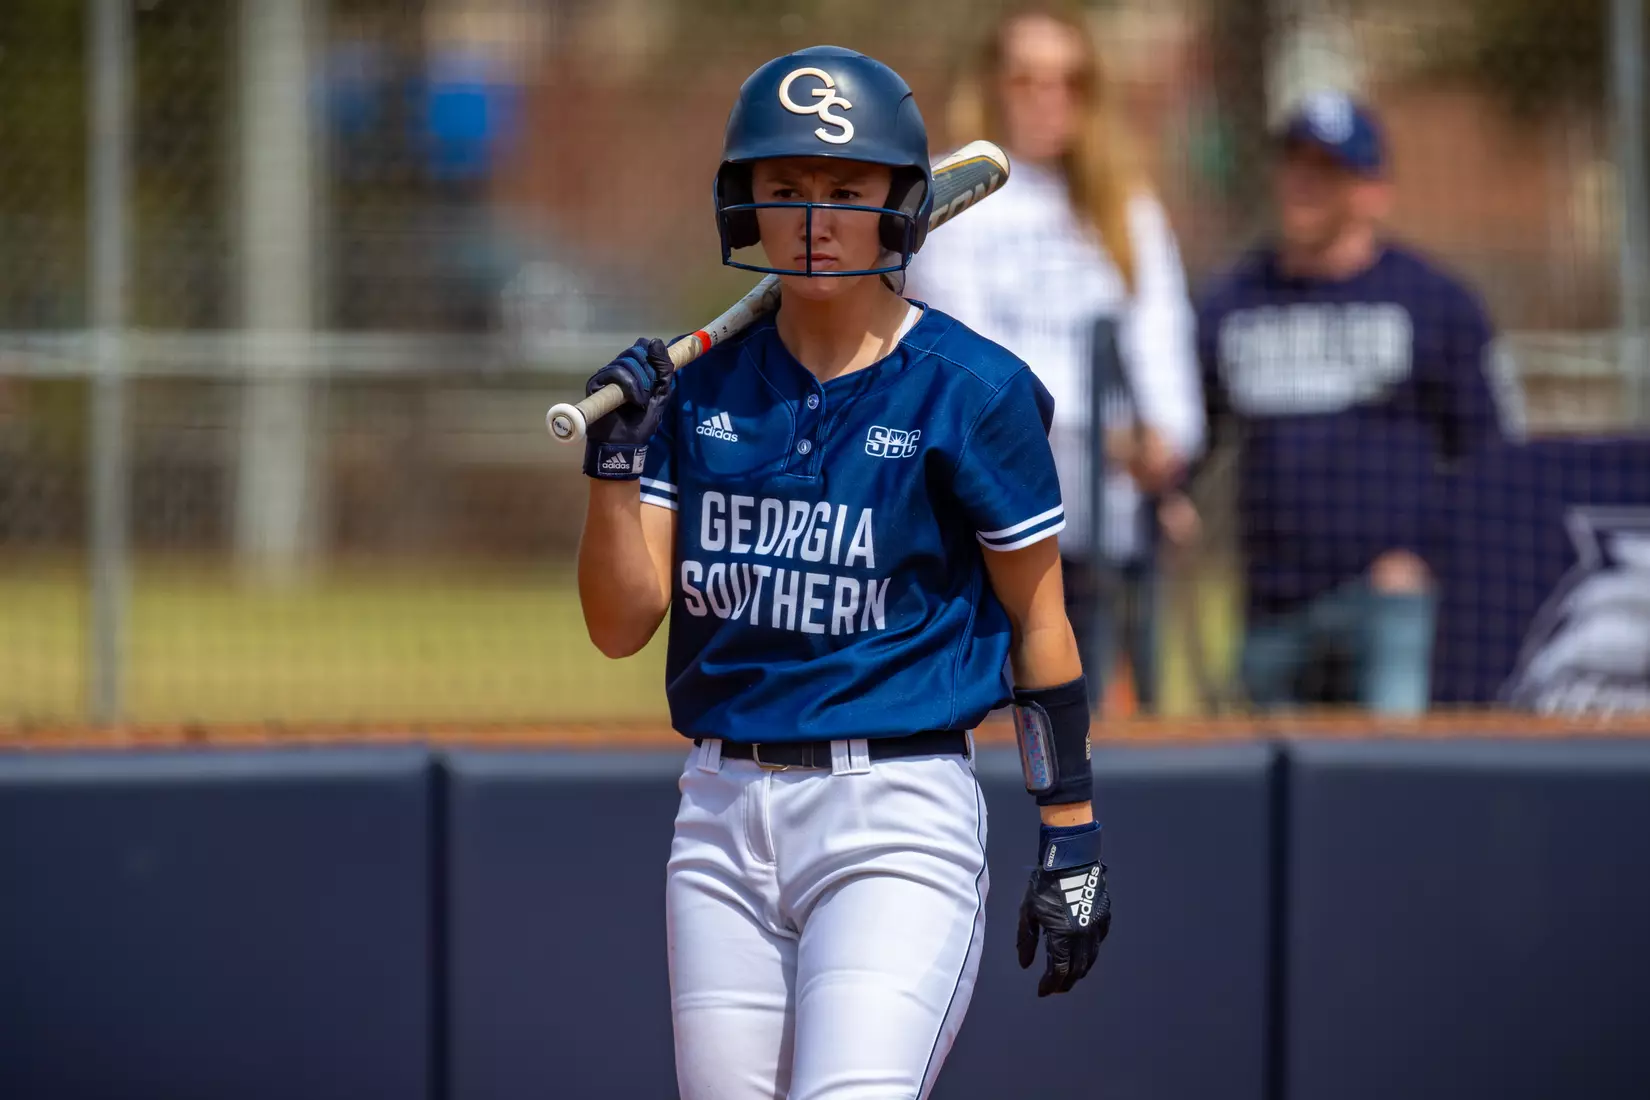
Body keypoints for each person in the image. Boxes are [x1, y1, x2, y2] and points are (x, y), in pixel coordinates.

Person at [575, 46, 1111, 1100]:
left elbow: (1041, 622)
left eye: (845, 189)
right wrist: (613, 464)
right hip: (721, 814)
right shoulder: (697, 391)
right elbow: (618, 623)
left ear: (900, 205)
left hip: (896, 813)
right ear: (746, 200)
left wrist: (1072, 831)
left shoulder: (975, 391)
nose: (813, 218)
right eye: (785, 188)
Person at [906, 2, 1205, 715]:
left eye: (1069, 80)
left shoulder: (1123, 205)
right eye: (1027, 78)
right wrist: (1096, 433)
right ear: (992, 85)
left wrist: (1166, 439)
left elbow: (1161, 337)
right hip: (994, 525)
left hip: (1110, 530)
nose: (1048, 98)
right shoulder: (952, 196)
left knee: (1095, 732)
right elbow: (969, 359)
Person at [1194, 91, 1523, 714]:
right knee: (1274, 803)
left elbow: (1494, 454)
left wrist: (1430, 558)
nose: (1302, 184)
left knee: (1388, 791)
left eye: (1326, 171)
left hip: (1389, 603)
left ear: (1374, 191)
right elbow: (1194, 435)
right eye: (1293, 164)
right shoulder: (1233, 300)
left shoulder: (1432, 301)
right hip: (1272, 606)